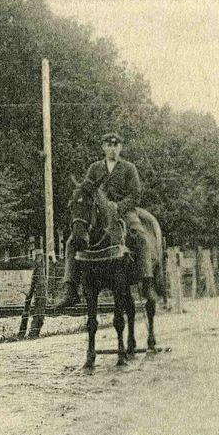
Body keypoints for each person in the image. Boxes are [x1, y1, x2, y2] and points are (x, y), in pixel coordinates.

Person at [54, 131, 159, 308]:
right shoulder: (95, 168)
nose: (112, 148)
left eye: (116, 145)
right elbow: (86, 190)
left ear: (120, 147)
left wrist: (119, 206)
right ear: (103, 147)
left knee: (140, 236)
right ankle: (70, 289)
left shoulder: (129, 168)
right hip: (98, 213)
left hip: (124, 211)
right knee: (72, 241)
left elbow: (135, 194)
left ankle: (147, 281)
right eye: (109, 145)